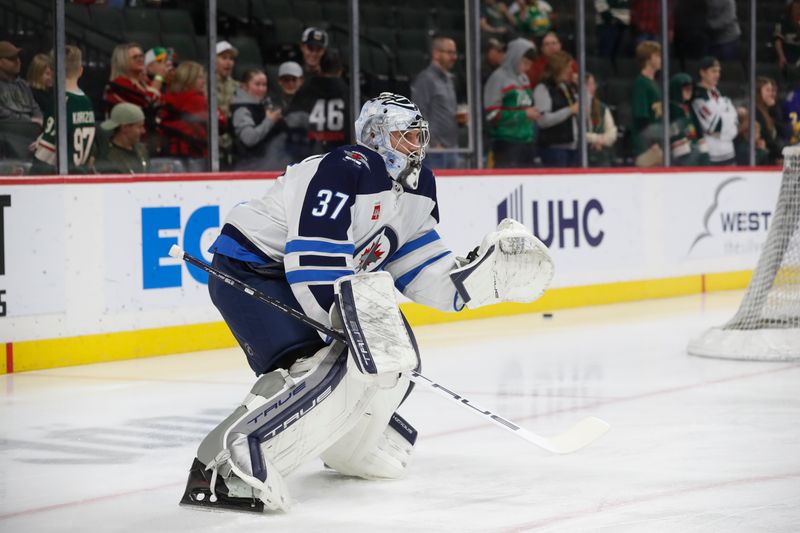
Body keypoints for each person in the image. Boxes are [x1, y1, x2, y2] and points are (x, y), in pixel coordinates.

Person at [178, 92, 552, 513]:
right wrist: (350, 331)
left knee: (396, 357)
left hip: (300, 277)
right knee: (322, 366)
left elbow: (418, 265)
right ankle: (226, 467)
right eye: (407, 136)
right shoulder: (347, 167)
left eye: (418, 136)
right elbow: (312, 263)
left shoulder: (418, 186)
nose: (417, 146)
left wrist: (476, 282)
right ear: (377, 136)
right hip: (252, 270)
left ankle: (350, 447)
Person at [31, 46, 95, 174]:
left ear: (54, 71)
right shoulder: (86, 102)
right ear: (81, 71)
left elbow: (44, 157)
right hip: (82, 175)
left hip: (61, 180)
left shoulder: (61, 103)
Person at [284, 48, 350, 162]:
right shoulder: (349, 93)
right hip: (341, 158)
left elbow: (290, 121)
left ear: (320, 67)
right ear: (340, 70)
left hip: (309, 158)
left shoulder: (306, 89)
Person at [484, 37, 540, 168]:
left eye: (530, 64)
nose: (527, 68)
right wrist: (523, 115)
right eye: (525, 62)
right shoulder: (498, 78)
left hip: (526, 141)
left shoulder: (524, 78)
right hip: (506, 143)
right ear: (514, 57)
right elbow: (492, 115)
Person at [411, 35, 461, 169]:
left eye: (455, 53)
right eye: (450, 52)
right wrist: (433, 143)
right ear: (436, 54)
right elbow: (418, 113)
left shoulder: (449, 79)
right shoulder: (425, 79)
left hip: (452, 149)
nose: (454, 57)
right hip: (435, 152)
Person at [159, 61, 224, 160]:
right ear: (188, 79)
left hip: (170, 152)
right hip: (193, 154)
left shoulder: (167, 98)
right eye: (199, 77)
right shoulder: (196, 99)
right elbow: (220, 122)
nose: (203, 81)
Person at [230, 68, 287, 171]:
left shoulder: (264, 105)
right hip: (248, 167)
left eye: (264, 85)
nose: (261, 89)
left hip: (268, 163)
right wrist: (270, 121)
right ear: (244, 86)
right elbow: (249, 139)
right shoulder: (242, 109)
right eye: (257, 84)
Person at [533, 50, 579, 167]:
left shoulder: (567, 87)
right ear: (559, 67)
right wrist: (569, 110)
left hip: (573, 146)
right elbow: (543, 121)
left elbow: (585, 109)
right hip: (554, 148)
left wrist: (580, 86)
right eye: (568, 67)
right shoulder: (543, 88)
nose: (571, 71)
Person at [690, 56, 738, 165]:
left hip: (730, 152)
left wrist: (725, 119)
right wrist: (728, 115)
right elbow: (715, 125)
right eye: (713, 71)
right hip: (711, 156)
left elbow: (736, 122)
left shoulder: (721, 93)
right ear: (702, 72)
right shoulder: (698, 96)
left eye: (718, 71)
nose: (717, 75)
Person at [103, 43, 160, 133]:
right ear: (123, 61)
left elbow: (161, 101)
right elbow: (149, 102)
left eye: (141, 56)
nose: (140, 59)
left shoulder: (145, 83)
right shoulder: (119, 84)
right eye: (135, 57)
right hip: (129, 134)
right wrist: (159, 77)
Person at [631, 40, 663, 167]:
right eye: (658, 56)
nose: (661, 59)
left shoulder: (653, 83)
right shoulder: (641, 84)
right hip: (646, 146)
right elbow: (641, 116)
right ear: (649, 59)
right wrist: (652, 143)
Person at [95, 102, 150, 174]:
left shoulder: (142, 150)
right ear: (125, 128)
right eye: (139, 127)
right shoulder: (109, 159)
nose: (143, 131)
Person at [668, 72, 709, 166]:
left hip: (694, 150)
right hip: (682, 157)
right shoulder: (671, 109)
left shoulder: (688, 107)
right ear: (676, 90)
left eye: (691, 89)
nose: (689, 91)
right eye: (686, 89)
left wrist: (703, 152)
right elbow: (676, 137)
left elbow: (698, 132)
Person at [0, 40, 42, 124]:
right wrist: (28, 120)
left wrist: (39, 120)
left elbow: (35, 108)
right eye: (12, 58)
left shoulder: (23, 85)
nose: (18, 61)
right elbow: (2, 113)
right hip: (7, 131)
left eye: (18, 57)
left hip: (31, 130)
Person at [585, 72, 618, 167]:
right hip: (582, 150)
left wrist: (601, 141)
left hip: (601, 150)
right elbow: (577, 134)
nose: (591, 87)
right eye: (588, 84)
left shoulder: (602, 108)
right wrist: (595, 139)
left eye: (593, 84)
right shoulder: (575, 107)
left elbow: (612, 133)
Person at [755, 77, 787, 166]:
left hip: (774, 155)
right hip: (766, 159)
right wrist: (780, 155)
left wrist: (774, 108)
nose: (771, 94)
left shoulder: (769, 110)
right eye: (767, 90)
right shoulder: (756, 112)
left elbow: (783, 132)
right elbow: (767, 139)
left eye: (772, 90)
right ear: (758, 92)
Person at [216, 40, 239, 166]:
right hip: (212, 145)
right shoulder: (204, 85)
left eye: (231, 58)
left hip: (230, 145)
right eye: (224, 58)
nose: (228, 62)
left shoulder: (238, 87)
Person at [775, 0, 800, 72]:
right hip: (788, 52)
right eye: (796, 5)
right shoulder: (782, 20)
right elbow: (777, 39)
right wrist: (781, 56)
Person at [25, 53, 53, 117]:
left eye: (53, 73)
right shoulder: (30, 93)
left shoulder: (53, 91)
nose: (51, 77)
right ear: (37, 74)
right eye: (47, 74)